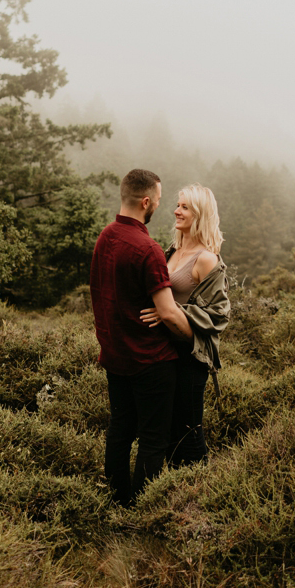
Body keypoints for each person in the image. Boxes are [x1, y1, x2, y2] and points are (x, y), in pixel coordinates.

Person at [89, 169, 194, 507]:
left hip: (115, 357)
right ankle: (140, 510)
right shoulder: (147, 248)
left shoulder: (105, 237)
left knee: (119, 431)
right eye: (160, 202)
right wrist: (197, 334)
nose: (160, 208)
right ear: (146, 201)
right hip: (150, 361)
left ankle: (114, 503)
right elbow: (167, 312)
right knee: (153, 440)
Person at [143, 183, 230, 467]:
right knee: (167, 431)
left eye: (184, 207)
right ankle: (172, 492)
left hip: (190, 357)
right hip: (164, 352)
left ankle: (199, 492)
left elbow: (219, 314)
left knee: (189, 431)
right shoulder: (171, 251)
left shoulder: (206, 259)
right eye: (178, 205)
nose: (176, 211)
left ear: (200, 214)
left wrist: (173, 311)